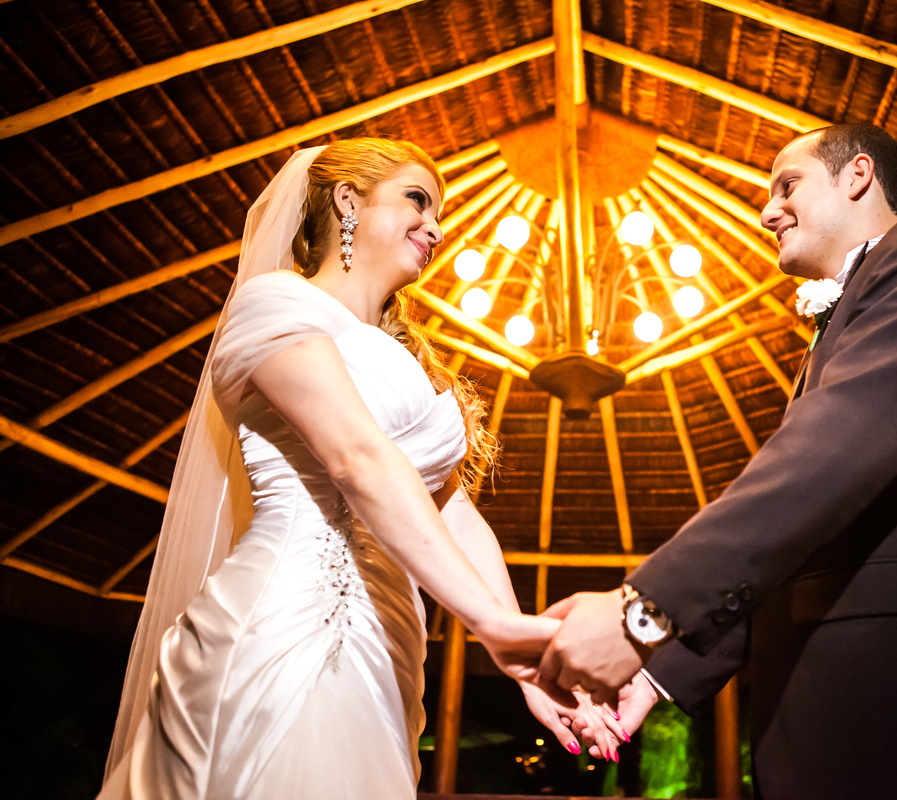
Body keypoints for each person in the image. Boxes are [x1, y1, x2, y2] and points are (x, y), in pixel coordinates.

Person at [99, 138, 623, 800]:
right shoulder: (274, 304)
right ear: (347, 200)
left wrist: (518, 651)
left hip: (389, 637)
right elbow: (357, 459)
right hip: (284, 616)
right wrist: (490, 626)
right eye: (417, 200)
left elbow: (453, 511)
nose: (436, 227)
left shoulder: (413, 361)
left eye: (440, 213)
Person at [538, 124, 897, 798]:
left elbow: (827, 459)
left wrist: (644, 611)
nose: (768, 210)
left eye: (787, 184)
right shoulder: (837, 330)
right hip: (824, 719)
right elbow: (804, 537)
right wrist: (658, 672)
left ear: (857, 175)